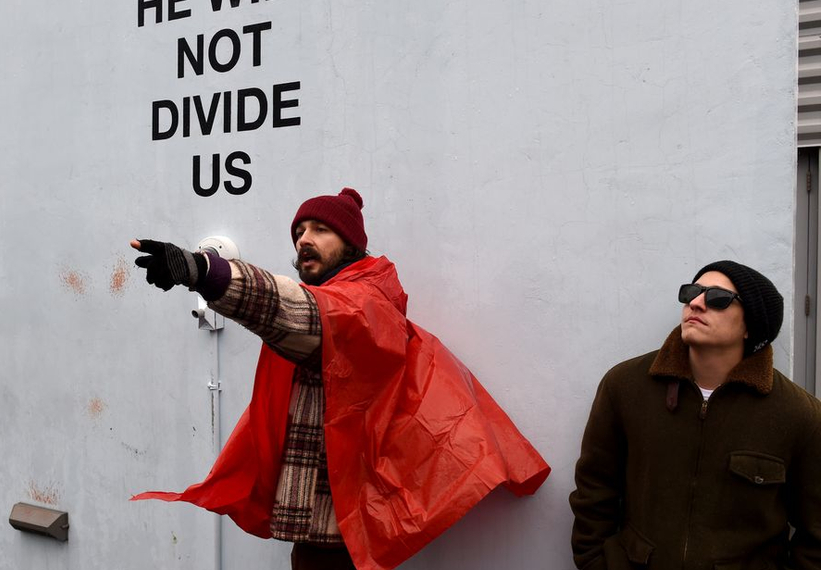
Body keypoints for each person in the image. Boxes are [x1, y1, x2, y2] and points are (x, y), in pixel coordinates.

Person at [129, 188, 550, 570]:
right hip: (317, 530)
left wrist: (203, 271)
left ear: (350, 244)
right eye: (299, 231)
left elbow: (295, 312)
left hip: (343, 533)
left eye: (321, 229)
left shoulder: (365, 305)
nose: (304, 240)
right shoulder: (337, 299)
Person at [569, 260, 821, 570]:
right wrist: (595, 562)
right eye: (692, 292)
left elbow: (816, 531)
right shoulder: (625, 386)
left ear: (750, 325)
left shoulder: (798, 414)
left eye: (717, 298)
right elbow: (595, 489)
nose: (696, 302)